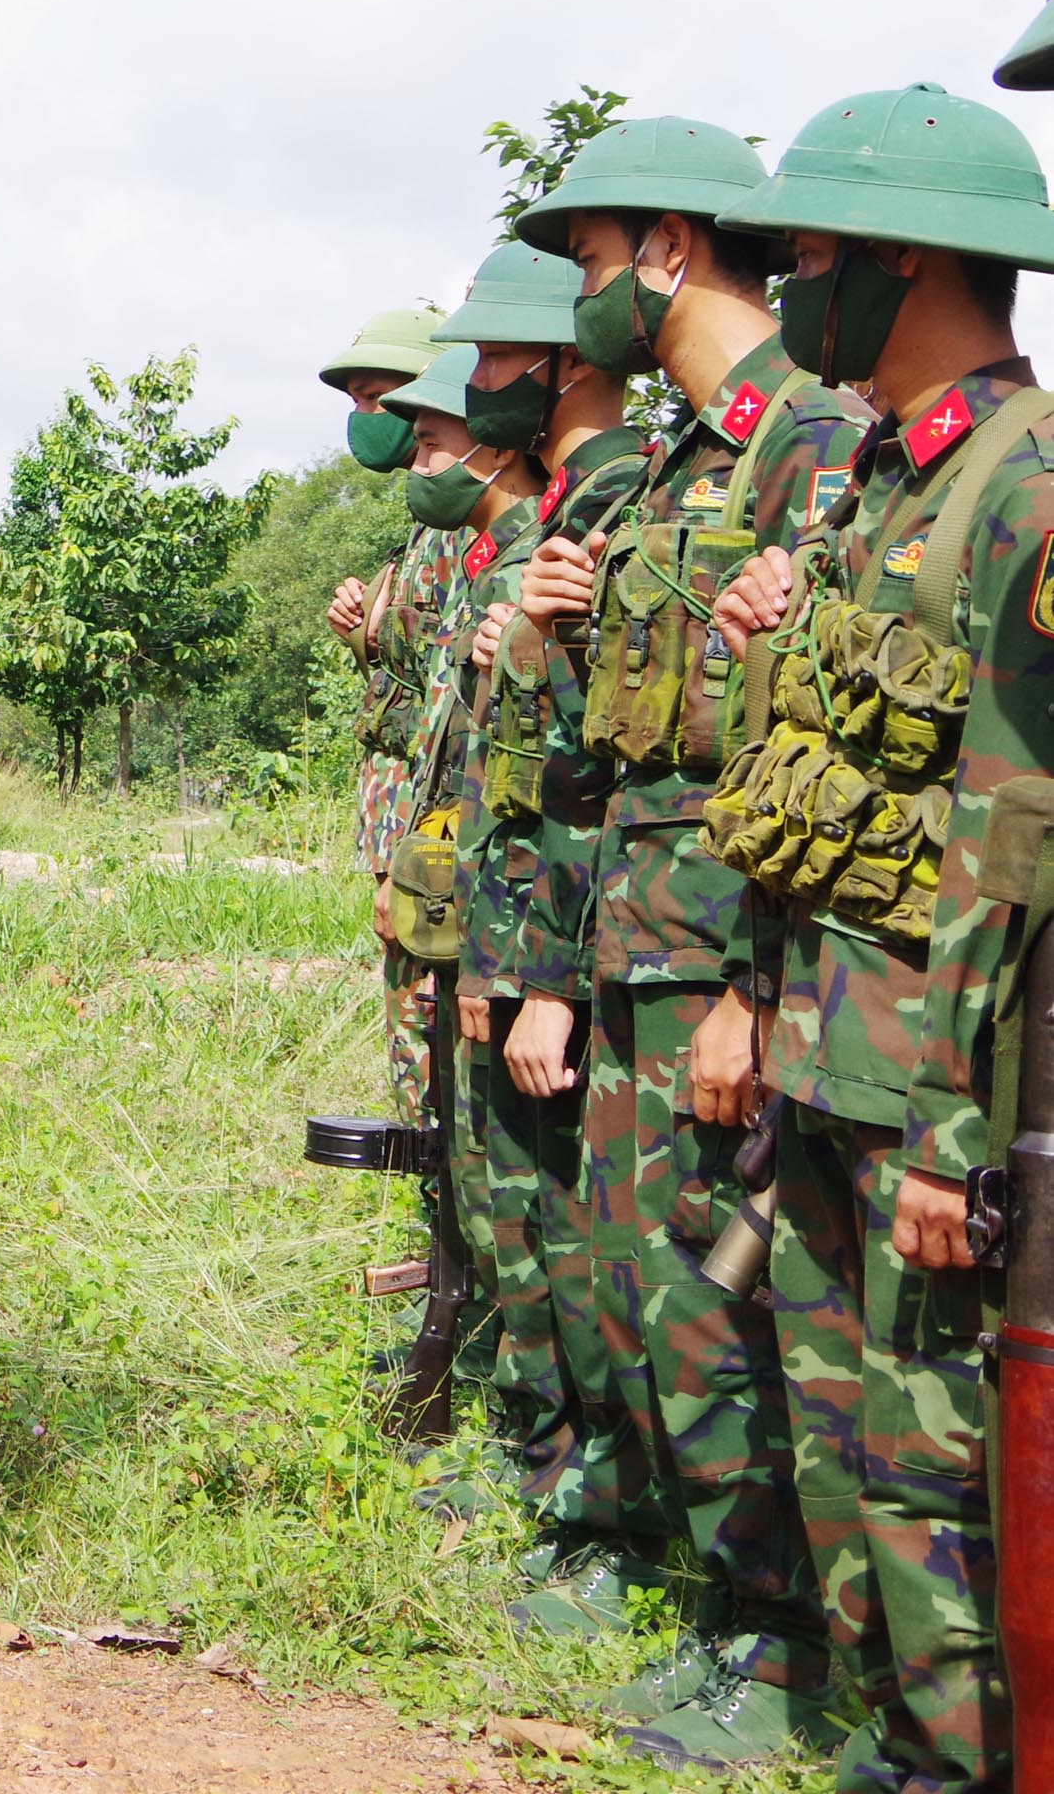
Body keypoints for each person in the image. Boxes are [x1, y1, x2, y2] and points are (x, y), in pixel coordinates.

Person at [705, 82, 1054, 1794]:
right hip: (832, 1046)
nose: (788, 298)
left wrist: (952, 1138)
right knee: (846, 1439)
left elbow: (1012, 832)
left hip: (930, 1083)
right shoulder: (874, 487)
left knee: (931, 1472)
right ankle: (880, 1739)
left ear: (908, 261)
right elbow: (828, 780)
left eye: (812, 261)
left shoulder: (1023, 489)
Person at [508, 116, 867, 1763]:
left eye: (587, 265)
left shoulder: (816, 443)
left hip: (742, 963)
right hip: (639, 951)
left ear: (663, 246)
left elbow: (824, 754)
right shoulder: (668, 462)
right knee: (657, 1298)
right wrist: (574, 639)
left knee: (739, 1310)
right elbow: (634, 749)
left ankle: (789, 1651)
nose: (577, 296)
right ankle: (726, 1614)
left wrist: (751, 988)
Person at [437, 240, 671, 1642]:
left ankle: (625, 1532)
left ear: (560, 360)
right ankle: (559, 1485)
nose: (467, 398)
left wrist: (534, 975)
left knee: (602, 1259)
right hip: (529, 941)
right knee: (532, 1236)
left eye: (487, 365)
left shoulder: (618, 508)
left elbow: (602, 778)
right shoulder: (568, 515)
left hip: (612, 955)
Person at [379, 339, 570, 1505]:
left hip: (522, 932)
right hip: (470, 918)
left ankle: (521, 1429)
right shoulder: (477, 563)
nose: (419, 458)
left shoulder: (526, 563)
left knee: (507, 1191)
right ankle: (481, 1385)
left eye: (436, 437)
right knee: (463, 1175)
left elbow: (514, 775)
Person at [324, 306, 463, 1113]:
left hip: (428, 832)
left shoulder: (459, 519)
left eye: (376, 397)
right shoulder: (423, 520)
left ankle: (443, 1220)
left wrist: (412, 861)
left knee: (428, 1020)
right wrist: (364, 630)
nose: (362, 419)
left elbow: (448, 702)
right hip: (402, 828)